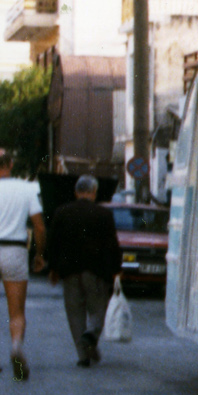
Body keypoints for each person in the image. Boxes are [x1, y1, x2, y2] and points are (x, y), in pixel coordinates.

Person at [48, 175, 120, 369]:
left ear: (76, 192)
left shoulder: (62, 212)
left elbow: (53, 242)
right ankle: (91, 333)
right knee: (98, 309)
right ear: (94, 192)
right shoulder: (103, 214)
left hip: (69, 271)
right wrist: (115, 271)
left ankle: (83, 356)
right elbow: (112, 244)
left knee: (74, 313)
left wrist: (53, 268)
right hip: (96, 271)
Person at [0, 149, 45, 381]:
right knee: (16, 311)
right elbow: (39, 226)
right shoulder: (26, 189)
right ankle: (16, 347)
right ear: (11, 164)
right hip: (14, 250)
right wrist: (39, 254)